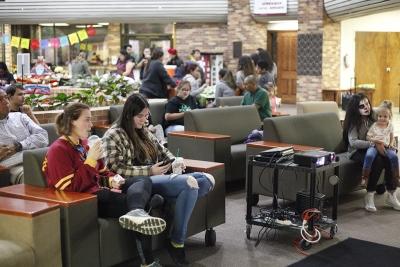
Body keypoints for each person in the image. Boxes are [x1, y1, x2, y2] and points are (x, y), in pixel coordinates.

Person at [43, 102, 166, 267]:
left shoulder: (84, 144)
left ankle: (138, 210)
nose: (91, 125)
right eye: (87, 120)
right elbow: (70, 188)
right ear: (72, 121)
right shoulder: (58, 149)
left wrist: (113, 179)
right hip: (86, 201)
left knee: (142, 180)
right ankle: (148, 257)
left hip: (101, 192)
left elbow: (102, 173)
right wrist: (91, 160)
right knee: (138, 204)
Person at [102, 93, 215, 266]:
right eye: (140, 116)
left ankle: (171, 199)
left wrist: (175, 160)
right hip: (138, 183)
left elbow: (162, 150)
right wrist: (149, 170)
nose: (144, 119)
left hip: (159, 177)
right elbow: (115, 168)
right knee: (190, 183)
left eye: (146, 115)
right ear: (128, 114)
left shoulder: (144, 131)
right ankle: (177, 241)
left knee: (207, 179)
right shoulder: (113, 135)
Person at [343, 93, 400, 212]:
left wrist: (391, 144)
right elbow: (353, 142)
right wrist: (373, 144)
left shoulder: (373, 116)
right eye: (362, 106)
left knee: (389, 158)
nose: (366, 107)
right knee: (378, 161)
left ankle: (391, 194)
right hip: (357, 151)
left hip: (374, 147)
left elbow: (386, 128)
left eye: (367, 104)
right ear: (356, 109)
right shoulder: (354, 122)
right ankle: (369, 195)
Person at [0, 89, 48, 184]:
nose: (6, 102)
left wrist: (19, 146)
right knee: (34, 177)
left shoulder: (20, 117)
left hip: (41, 159)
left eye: (5, 97)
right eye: (0, 100)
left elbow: (43, 137)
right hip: (15, 166)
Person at [361, 100, 399, 188]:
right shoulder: (374, 125)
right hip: (374, 145)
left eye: (385, 116)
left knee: (394, 157)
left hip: (386, 147)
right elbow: (368, 137)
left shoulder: (390, 126)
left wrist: (390, 143)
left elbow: (391, 136)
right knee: (369, 156)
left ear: (389, 117)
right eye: (380, 116)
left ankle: (396, 178)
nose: (382, 118)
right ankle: (365, 177)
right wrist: (376, 141)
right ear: (377, 116)